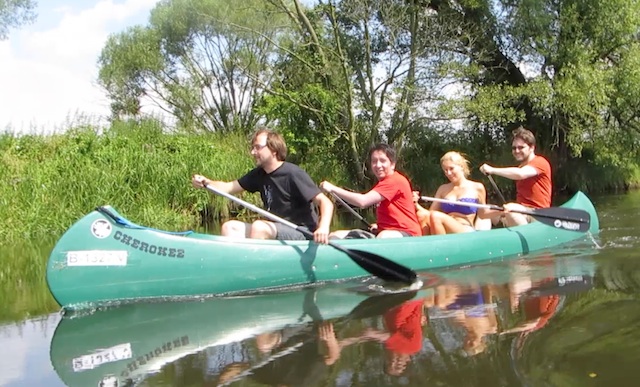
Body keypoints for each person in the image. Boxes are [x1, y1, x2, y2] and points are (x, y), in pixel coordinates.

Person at [192, 127, 333, 244]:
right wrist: (207, 183)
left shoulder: (293, 173)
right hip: (275, 229)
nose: (253, 152)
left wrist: (323, 227)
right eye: (253, 148)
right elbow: (229, 187)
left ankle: (255, 269)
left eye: (257, 148)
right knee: (230, 227)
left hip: (302, 232)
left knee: (259, 227)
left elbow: (325, 202)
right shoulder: (259, 174)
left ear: (273, 149)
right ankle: (236, 267)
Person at [320, 143, 422, 239]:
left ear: (392, 164)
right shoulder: (382, 183)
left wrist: (332, 188)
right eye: (374, 161)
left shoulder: (395, 180)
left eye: (382, 161)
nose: (378, 165)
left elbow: (363, 201)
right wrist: (379, 225)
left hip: (409, 234)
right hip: (385, 231)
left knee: (383, 236)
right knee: (336, 235)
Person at [479, 126, 552, 226]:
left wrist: (492, 170)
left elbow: (520, 174)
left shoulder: (540, 162)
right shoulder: (521, 166)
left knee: (512, 208)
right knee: (485, 211)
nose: (516, 151)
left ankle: (527, 237)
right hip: (521, 212)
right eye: (514, 148)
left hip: (538, 214)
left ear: (532, 148)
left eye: (521, 147)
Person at [414, 151, 490, 235]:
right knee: (421, 215)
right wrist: (415, 204)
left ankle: (441, 246)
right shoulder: (443, 189)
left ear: (461, 166)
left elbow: (483, 214)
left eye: (451, 168)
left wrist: (502, 211)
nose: (448, 173)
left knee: (436, 217)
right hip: (445, 227)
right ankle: (424, 245)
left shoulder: (477, 187)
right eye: (445, 170)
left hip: (465, 228)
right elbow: (430, 213)